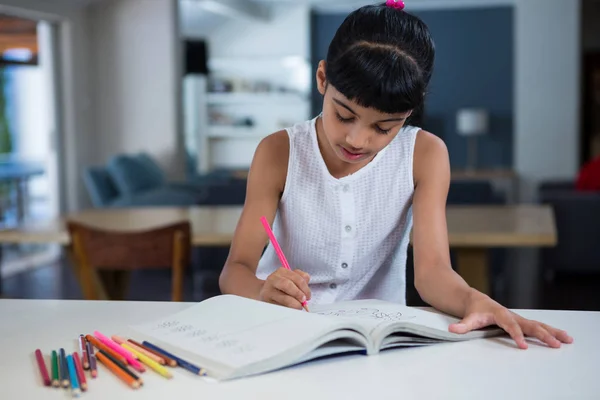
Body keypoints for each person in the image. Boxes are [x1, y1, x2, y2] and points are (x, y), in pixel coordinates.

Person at [218, 0, 573, 350]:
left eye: (384, 127)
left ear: (410, 112)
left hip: (375, 340)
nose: (357, 140)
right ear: (322, 79)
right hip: (280, 330)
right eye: (344, 115)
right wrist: (262, 290)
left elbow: (433, 271)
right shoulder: (279, 151)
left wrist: (474, 301)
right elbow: (235, 269)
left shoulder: (425, 154)